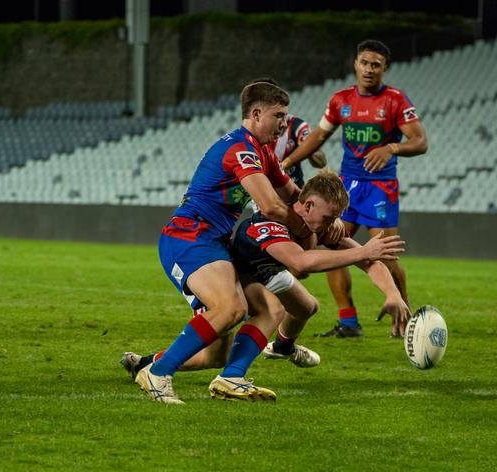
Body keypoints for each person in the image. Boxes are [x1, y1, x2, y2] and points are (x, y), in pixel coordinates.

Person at [122, 170, 409, 395]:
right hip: (234, 278)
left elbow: (369, 261)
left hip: (266, 274)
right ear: (308, 205)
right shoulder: (269, 224)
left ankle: (280, 348)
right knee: (228, 346)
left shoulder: (315, 223)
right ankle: (169, 368)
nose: (334, 224)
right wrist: (362, 250)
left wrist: (392, 294)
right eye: (329, 217)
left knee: (306, 307)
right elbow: (300, 263)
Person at [134, 79, 319, 404]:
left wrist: (323, 218)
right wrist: (304, 230)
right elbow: (273, 207)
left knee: (267, 310)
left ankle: (229, 377)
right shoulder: (240, 148)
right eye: (279, 116)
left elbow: (295, 197)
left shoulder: (265, 154)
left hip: (215, 244)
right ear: (256, 113)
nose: (284, 124)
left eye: (286, 116)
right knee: (231, 308)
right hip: (188, 237)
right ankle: (158, 372)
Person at [280, 39, 428, 338]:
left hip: (380, 187)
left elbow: (420, 142)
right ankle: (348, 322)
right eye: (364, 62)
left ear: (385, 68)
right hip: (347, 186)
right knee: (336, 247)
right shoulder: (340, 100)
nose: (369, 69)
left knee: (385, 256)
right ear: (355, 64)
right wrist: (287, 162)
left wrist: (392, 148)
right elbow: (318, 136)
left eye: (376, 64)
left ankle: (404, 313)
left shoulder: (397, 101)